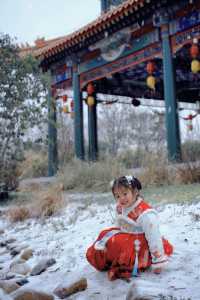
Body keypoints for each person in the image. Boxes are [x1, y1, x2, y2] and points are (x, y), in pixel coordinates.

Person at [86, 175, 173, 280]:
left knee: (117, 243)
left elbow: (154, 237)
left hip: (141, 244)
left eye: (125, 194)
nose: (121, 198)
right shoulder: (121, 207)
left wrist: (158, 263)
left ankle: (124, 260)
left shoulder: (146, 214)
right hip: (128, 234)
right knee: (104, 234)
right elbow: (119, 225)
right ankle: (108, 260)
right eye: (117, 196)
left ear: (135, 192)